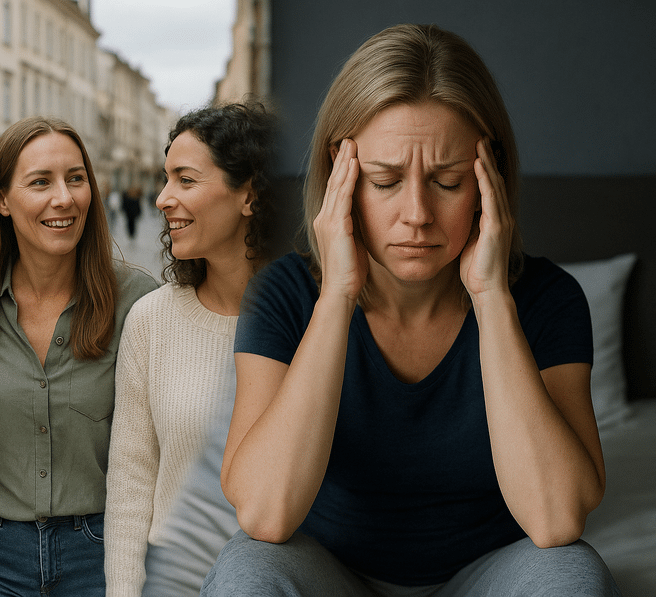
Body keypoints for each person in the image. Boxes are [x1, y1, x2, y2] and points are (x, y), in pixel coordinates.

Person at [204, 24, 620, 596]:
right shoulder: (280, 294)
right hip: (331, 572)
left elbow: (557, 520)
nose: (417, 214)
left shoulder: (549, 298)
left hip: (490, 572)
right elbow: (264, 514)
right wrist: (337, 295)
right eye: (385, 181)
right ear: (342, 175)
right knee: (244, 573)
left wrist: (491, 297)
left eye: (447, 182)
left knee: (574, 577)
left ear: (489, 178)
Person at [0, 116, 157, 596]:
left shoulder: (139, 303)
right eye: (40, 182)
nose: (64, 198)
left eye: (76, 178)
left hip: (103, 554)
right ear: (1, 200)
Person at [104, 101, 278, 596]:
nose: (162, 198)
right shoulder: (151, 321)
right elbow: (131, 482)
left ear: (249, 194)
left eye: (185, 180)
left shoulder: (316, 320)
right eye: (166, 180)